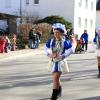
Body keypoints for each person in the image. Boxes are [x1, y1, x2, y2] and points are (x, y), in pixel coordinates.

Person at [45, 23, 76, 100]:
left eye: (58, 32)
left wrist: (63, 55)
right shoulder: (51, 41)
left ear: (62, 33)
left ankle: (54, 96)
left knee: (55, 78)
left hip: (61, 62)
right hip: (53, 61)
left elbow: (71, 50)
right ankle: (59, 90)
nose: (56, 34)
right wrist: (49, 54)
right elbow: (46, 48)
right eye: (55, 32)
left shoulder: (65, 42)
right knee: (56, 78)